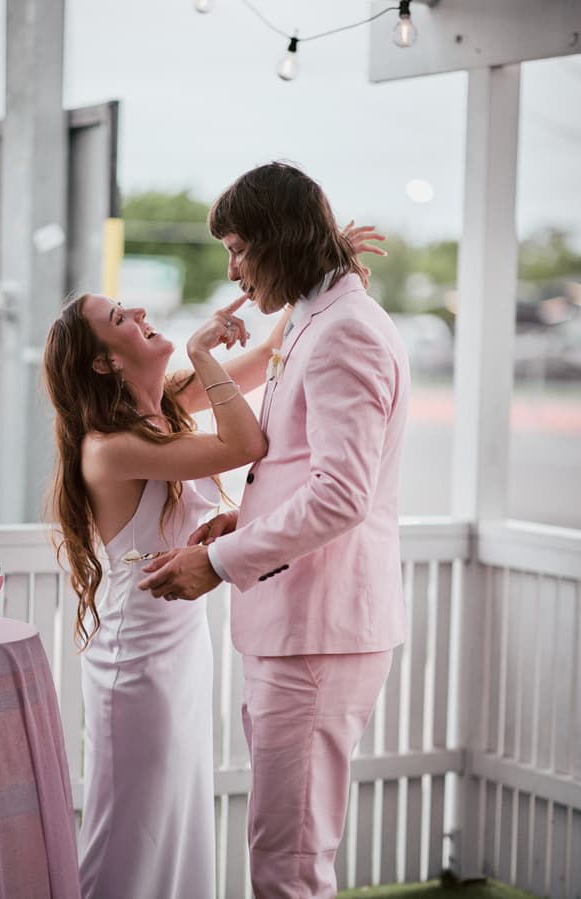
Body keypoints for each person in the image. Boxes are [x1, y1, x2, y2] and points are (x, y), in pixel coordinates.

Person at [42, 217, 380, 899]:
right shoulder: (110, 447)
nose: (138, 309)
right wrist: (199, 352)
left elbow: (271, 356)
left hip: (179, 648)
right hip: (133, 661)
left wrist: (315, 261)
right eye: (119, 317)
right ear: (105, 360)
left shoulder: (161, 407)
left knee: (177, 818)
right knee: (128, 826)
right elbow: (244, 443)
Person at [138, 162, 411, 898]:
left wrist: (219, 561)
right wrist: (245, 516)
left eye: (238, 246)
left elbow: (341, 494)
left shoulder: (345, 331)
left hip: (316, 631)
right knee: (283, 848)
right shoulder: (321, 316)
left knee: (287, 863)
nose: (231, 268)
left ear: (280, 240)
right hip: (298, 624)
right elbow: (303, 467)